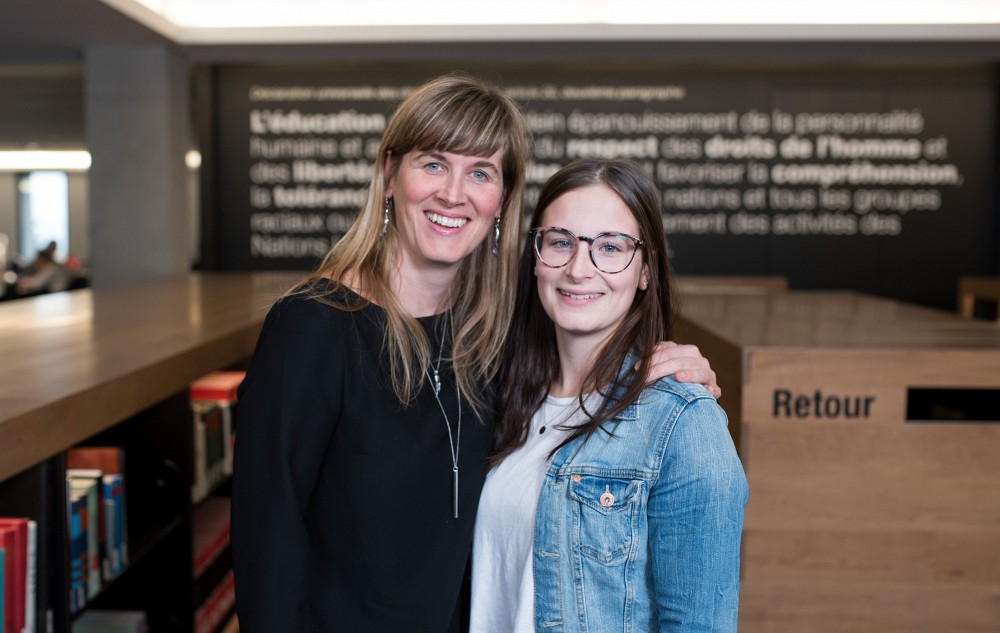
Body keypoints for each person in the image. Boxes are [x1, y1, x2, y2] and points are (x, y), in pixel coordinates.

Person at [230, 75, 720, 632]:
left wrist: (673, 366)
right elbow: (266, 541)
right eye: (433, 163)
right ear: (390, 174)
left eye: (480, 172)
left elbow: (592, 345)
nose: (453, 193)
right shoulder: (312, 327)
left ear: (502, 201)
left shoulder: (498, 332)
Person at [471, 158, 748, 632]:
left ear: (645, 271)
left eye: (611, 247)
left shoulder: (684, 423)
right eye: (560, 242)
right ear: (535, 259)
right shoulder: (495, 394)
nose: (580, 269)